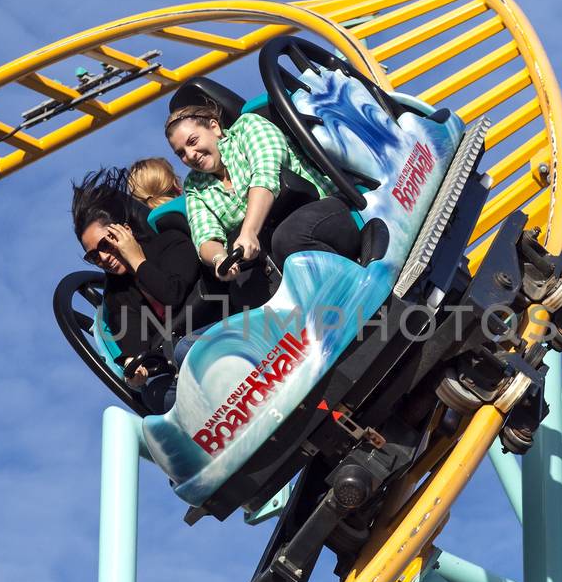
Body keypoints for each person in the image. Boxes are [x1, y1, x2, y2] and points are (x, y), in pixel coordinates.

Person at [163, 104, 362, 282]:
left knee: (288, 239)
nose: (190, 155)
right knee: (246, 287)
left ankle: (362, 290)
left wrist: (248, 231)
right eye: (180, 153)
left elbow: (266, 175)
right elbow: (205, 235)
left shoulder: (247, 128)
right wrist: (219, 259)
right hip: (273, 245)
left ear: (214, 127)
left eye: (193, 141)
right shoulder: (194, 185)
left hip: (322, 210)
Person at [70, 168, 199, 409]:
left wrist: (137, 261)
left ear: (125, 230)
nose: (104, 257)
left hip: (217, 326)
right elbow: (135, 348)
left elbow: (173, 294)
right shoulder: (116, 296)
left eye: (105, 244)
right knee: (156, 395)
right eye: (94, 256)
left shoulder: (169, 240)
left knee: (185, 350)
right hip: (183, 363)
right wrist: (135, 371)